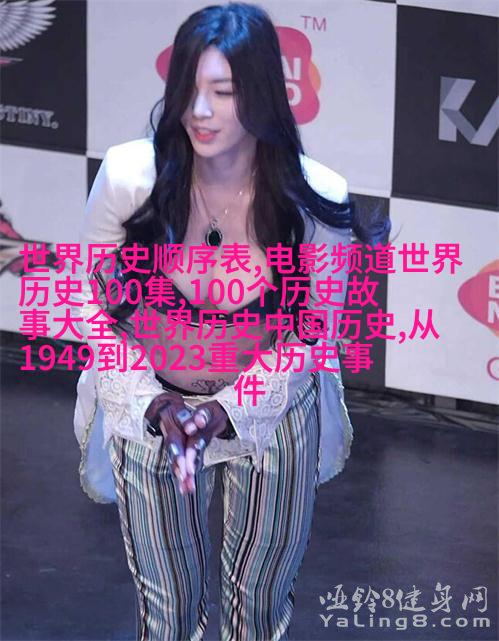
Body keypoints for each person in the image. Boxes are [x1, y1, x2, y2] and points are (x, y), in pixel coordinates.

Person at [73, 3, 388, 640]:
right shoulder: (130, 178)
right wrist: (158, 404)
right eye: (189, 89)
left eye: (223, 91)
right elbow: (91, 305)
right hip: (151, 404)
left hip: (272, 408)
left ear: (264, 94)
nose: (200, 111)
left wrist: (226, 411)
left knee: (260, 605)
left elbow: (310, 335)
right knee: (167, 609)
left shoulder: (312, 200)